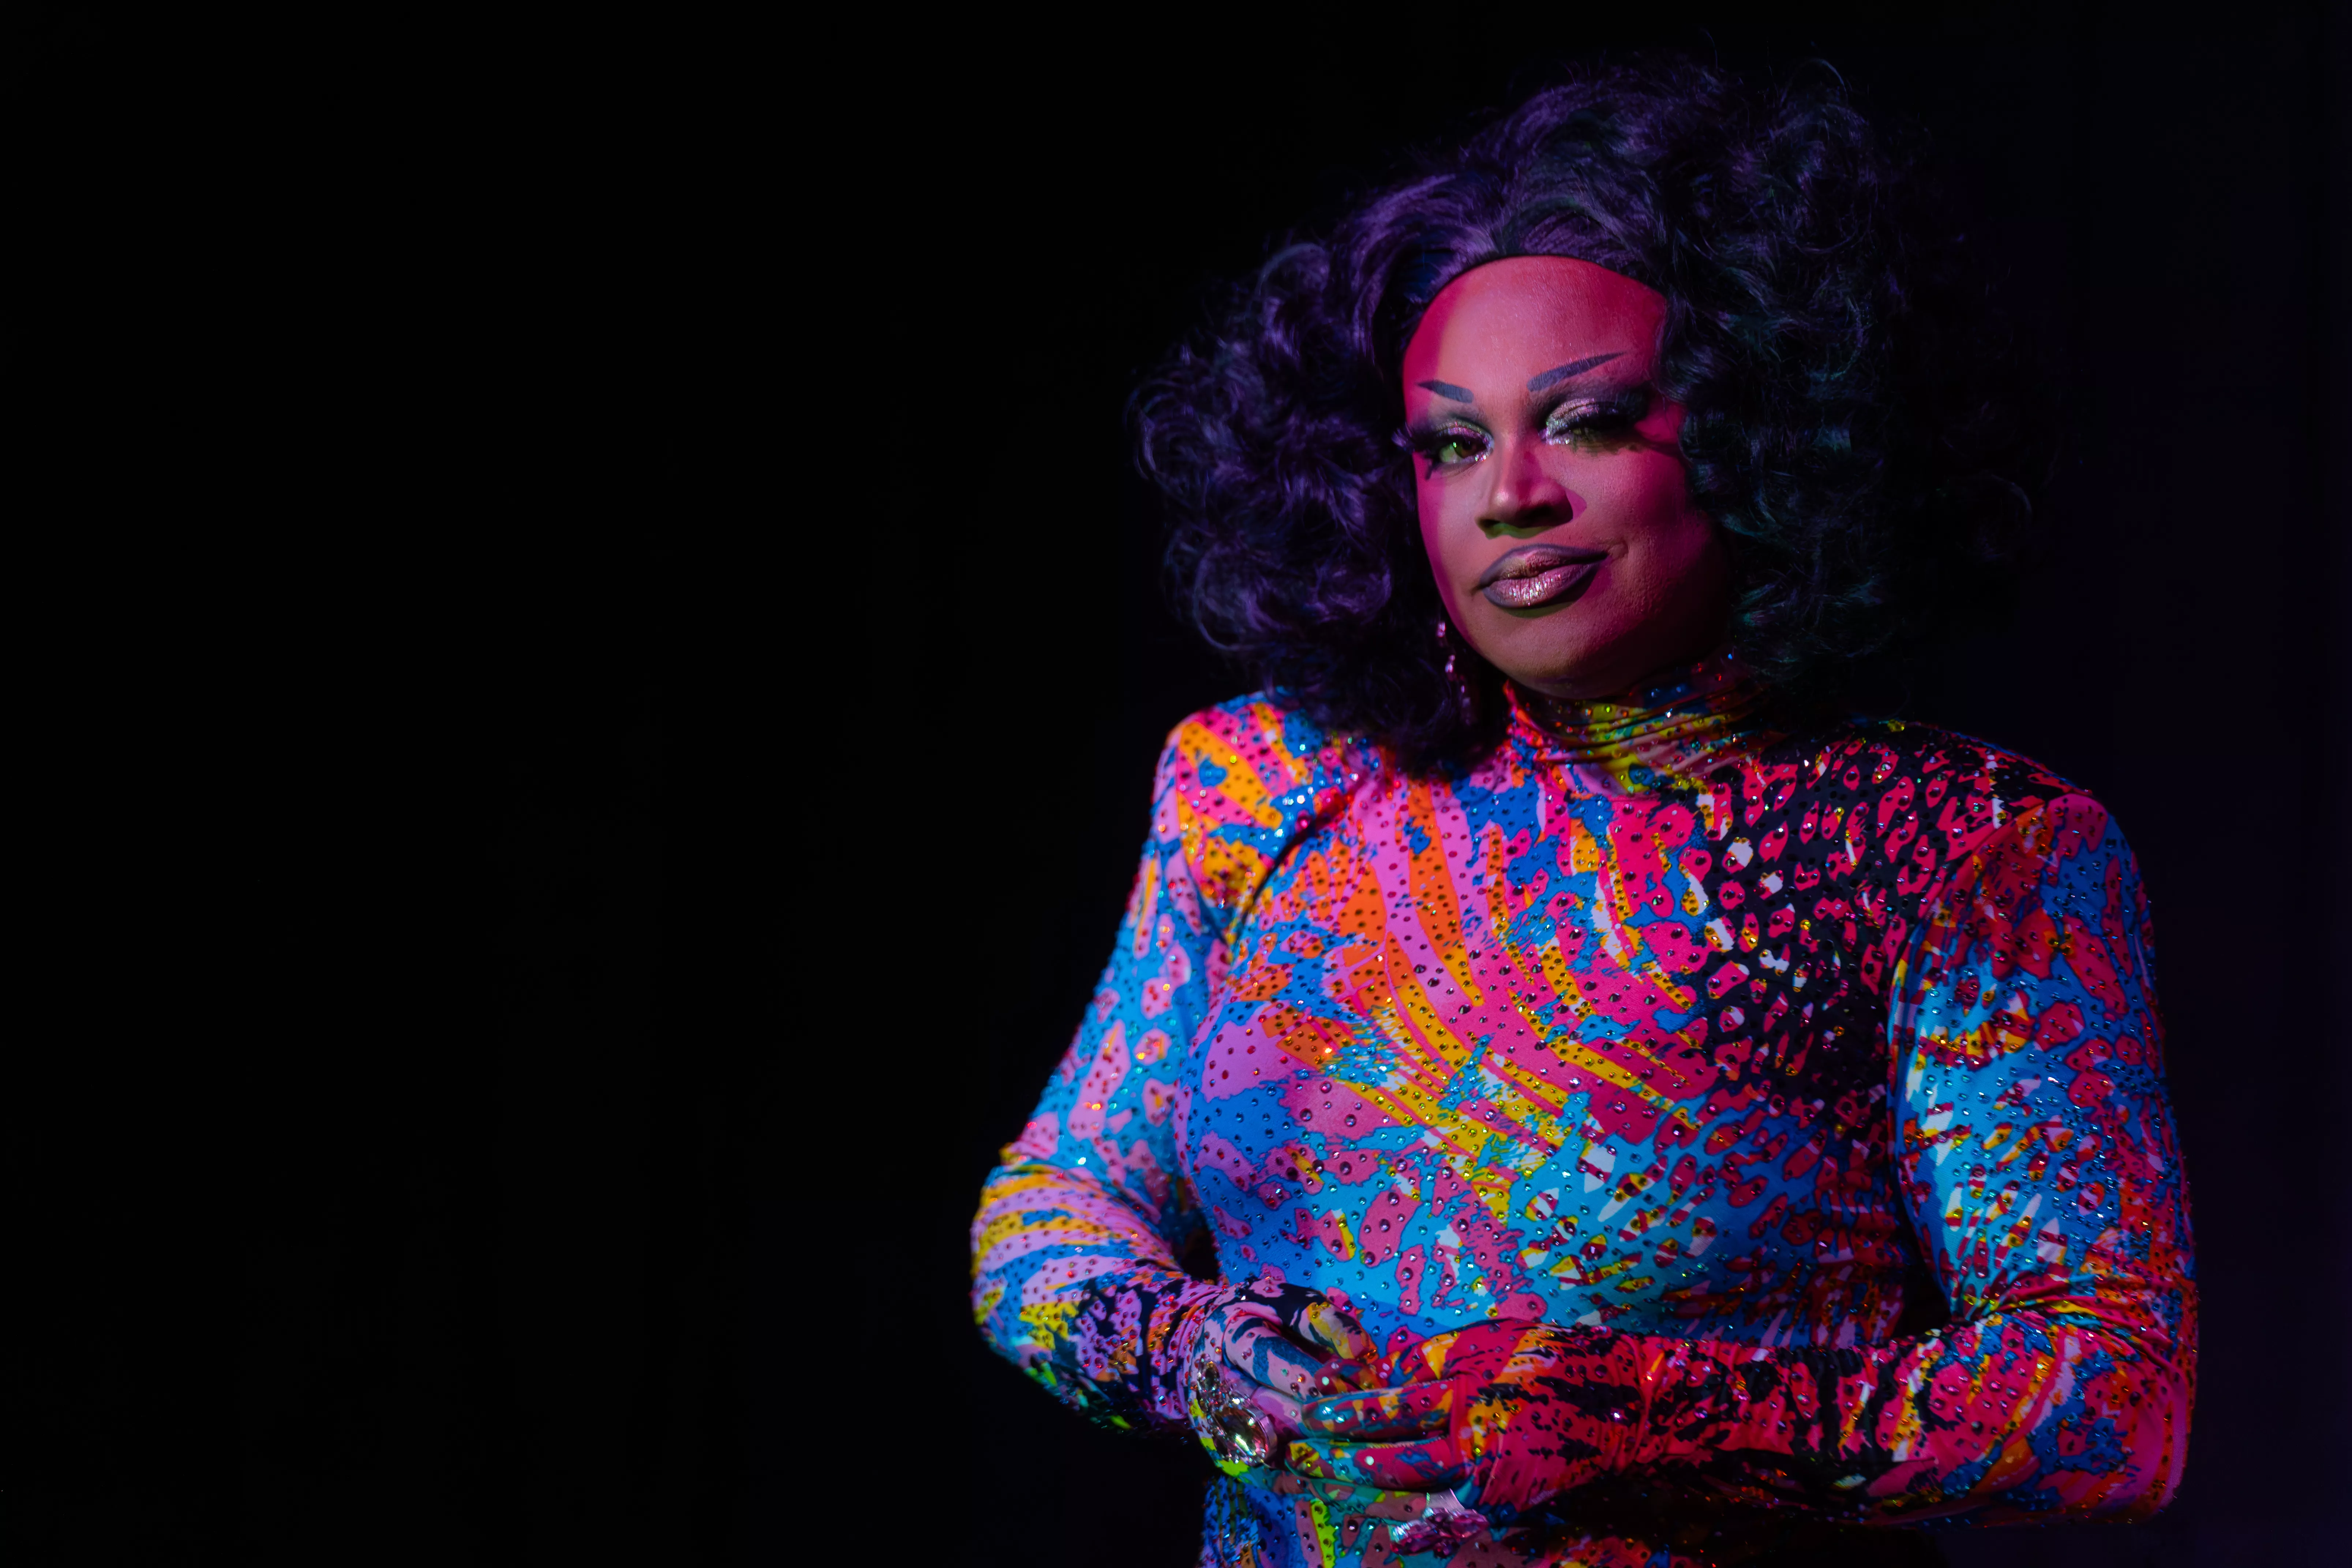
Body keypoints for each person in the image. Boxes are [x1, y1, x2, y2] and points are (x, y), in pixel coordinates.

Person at [970, 59, 2194, 1568]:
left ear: (1764, 436)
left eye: (1590, 423)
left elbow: (2102, 1401)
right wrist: (1194, 1352)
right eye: (1451, 444)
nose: (1510, 496)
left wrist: (1635, 1418)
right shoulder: (1255, 786)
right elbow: (1054, 1206)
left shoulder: (1956, 847)